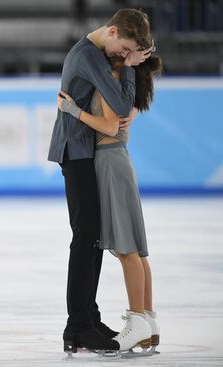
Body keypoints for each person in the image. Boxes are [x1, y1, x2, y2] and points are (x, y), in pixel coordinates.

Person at [47, 9, 153, 353]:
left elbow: (122, 108)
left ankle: (88, 318)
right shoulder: (87, 55)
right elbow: (122, 104)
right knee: (86, 237)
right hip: (75, 152)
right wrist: (129, 67)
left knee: (92, 237)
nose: (122, 56)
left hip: (84, 153)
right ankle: (77, 325)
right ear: (111, 31)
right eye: (123, 48)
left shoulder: (100, 55)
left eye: (128, 53)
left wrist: (130, 62)